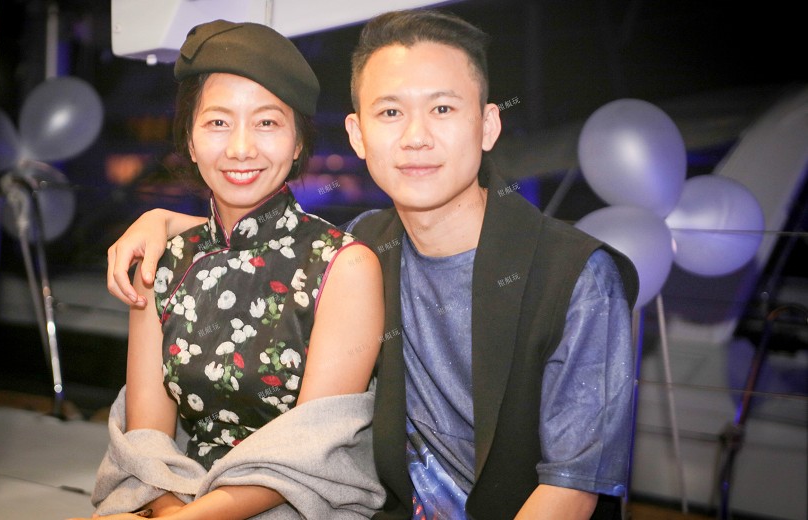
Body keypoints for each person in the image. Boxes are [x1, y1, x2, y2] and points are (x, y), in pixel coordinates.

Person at [107, 9, 639, 520]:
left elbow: (571, 492)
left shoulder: (578, 278)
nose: (415, 137)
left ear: (487, 125)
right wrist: (163, 220)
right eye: (390, 113)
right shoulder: (367, 243)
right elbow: (265, 241)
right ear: (358, 134)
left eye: (442, 109)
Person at [81, 19, 385, 520]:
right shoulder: (162, 262)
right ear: (190, 139)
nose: (241, 148)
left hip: (297, 505)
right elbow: (146, 439)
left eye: (267, 123)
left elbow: (308, 451)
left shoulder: (342, 266)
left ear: (297, 143)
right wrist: (170, 510)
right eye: (218, 123)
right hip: (178, 496)